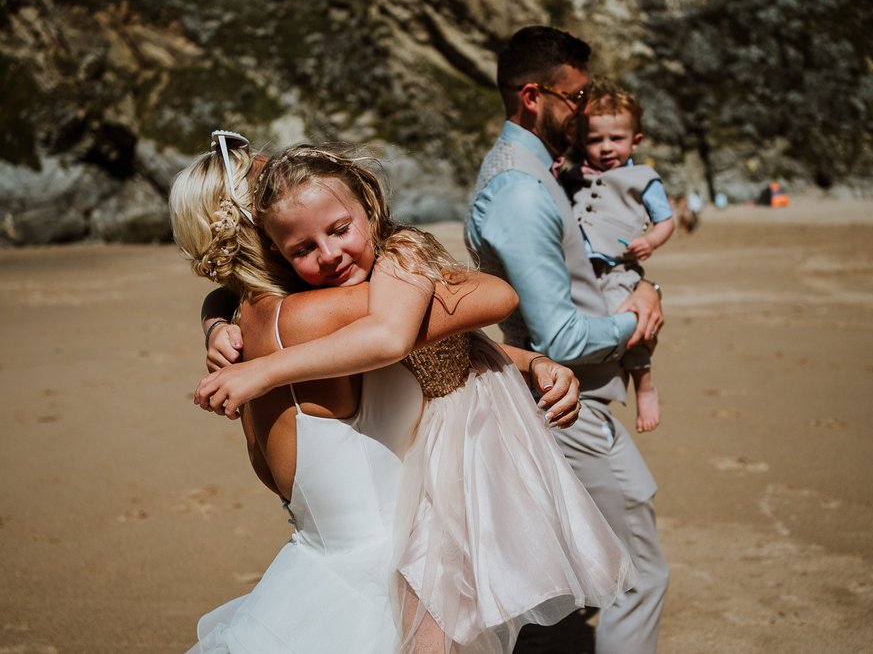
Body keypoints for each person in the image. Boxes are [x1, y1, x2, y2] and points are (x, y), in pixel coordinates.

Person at [194, 143, 635, 653]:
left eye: (339, 230)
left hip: (472, 447)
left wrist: (257, 363)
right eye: (303, 249)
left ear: (369, 208)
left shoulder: (396, 261)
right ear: (273, 249)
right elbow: (428, 332)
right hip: (432, 463)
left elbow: (408, 336)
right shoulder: (321, 304)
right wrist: (215, 318)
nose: (329, 253)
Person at [464, 26, 670, 654]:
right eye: (576, 97)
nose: (586, 110)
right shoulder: (521, 191)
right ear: (533, 97)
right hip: (564, 402)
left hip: (545, 397)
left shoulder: (532, 173)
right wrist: (639, 316)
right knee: (638, 574)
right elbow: (560, 335)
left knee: (556, 576)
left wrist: (643, 278)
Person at [559, 78, 676, 433]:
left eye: (616, 139)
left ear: (635, 140)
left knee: (628, 318)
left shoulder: (642, 178)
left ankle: (643, 383)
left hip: (619, 269)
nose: (606, 148)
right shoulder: (573, 176)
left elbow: (666, 219)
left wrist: (652, 241)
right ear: (582, 141)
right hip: (577, 267)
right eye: (595, 140)